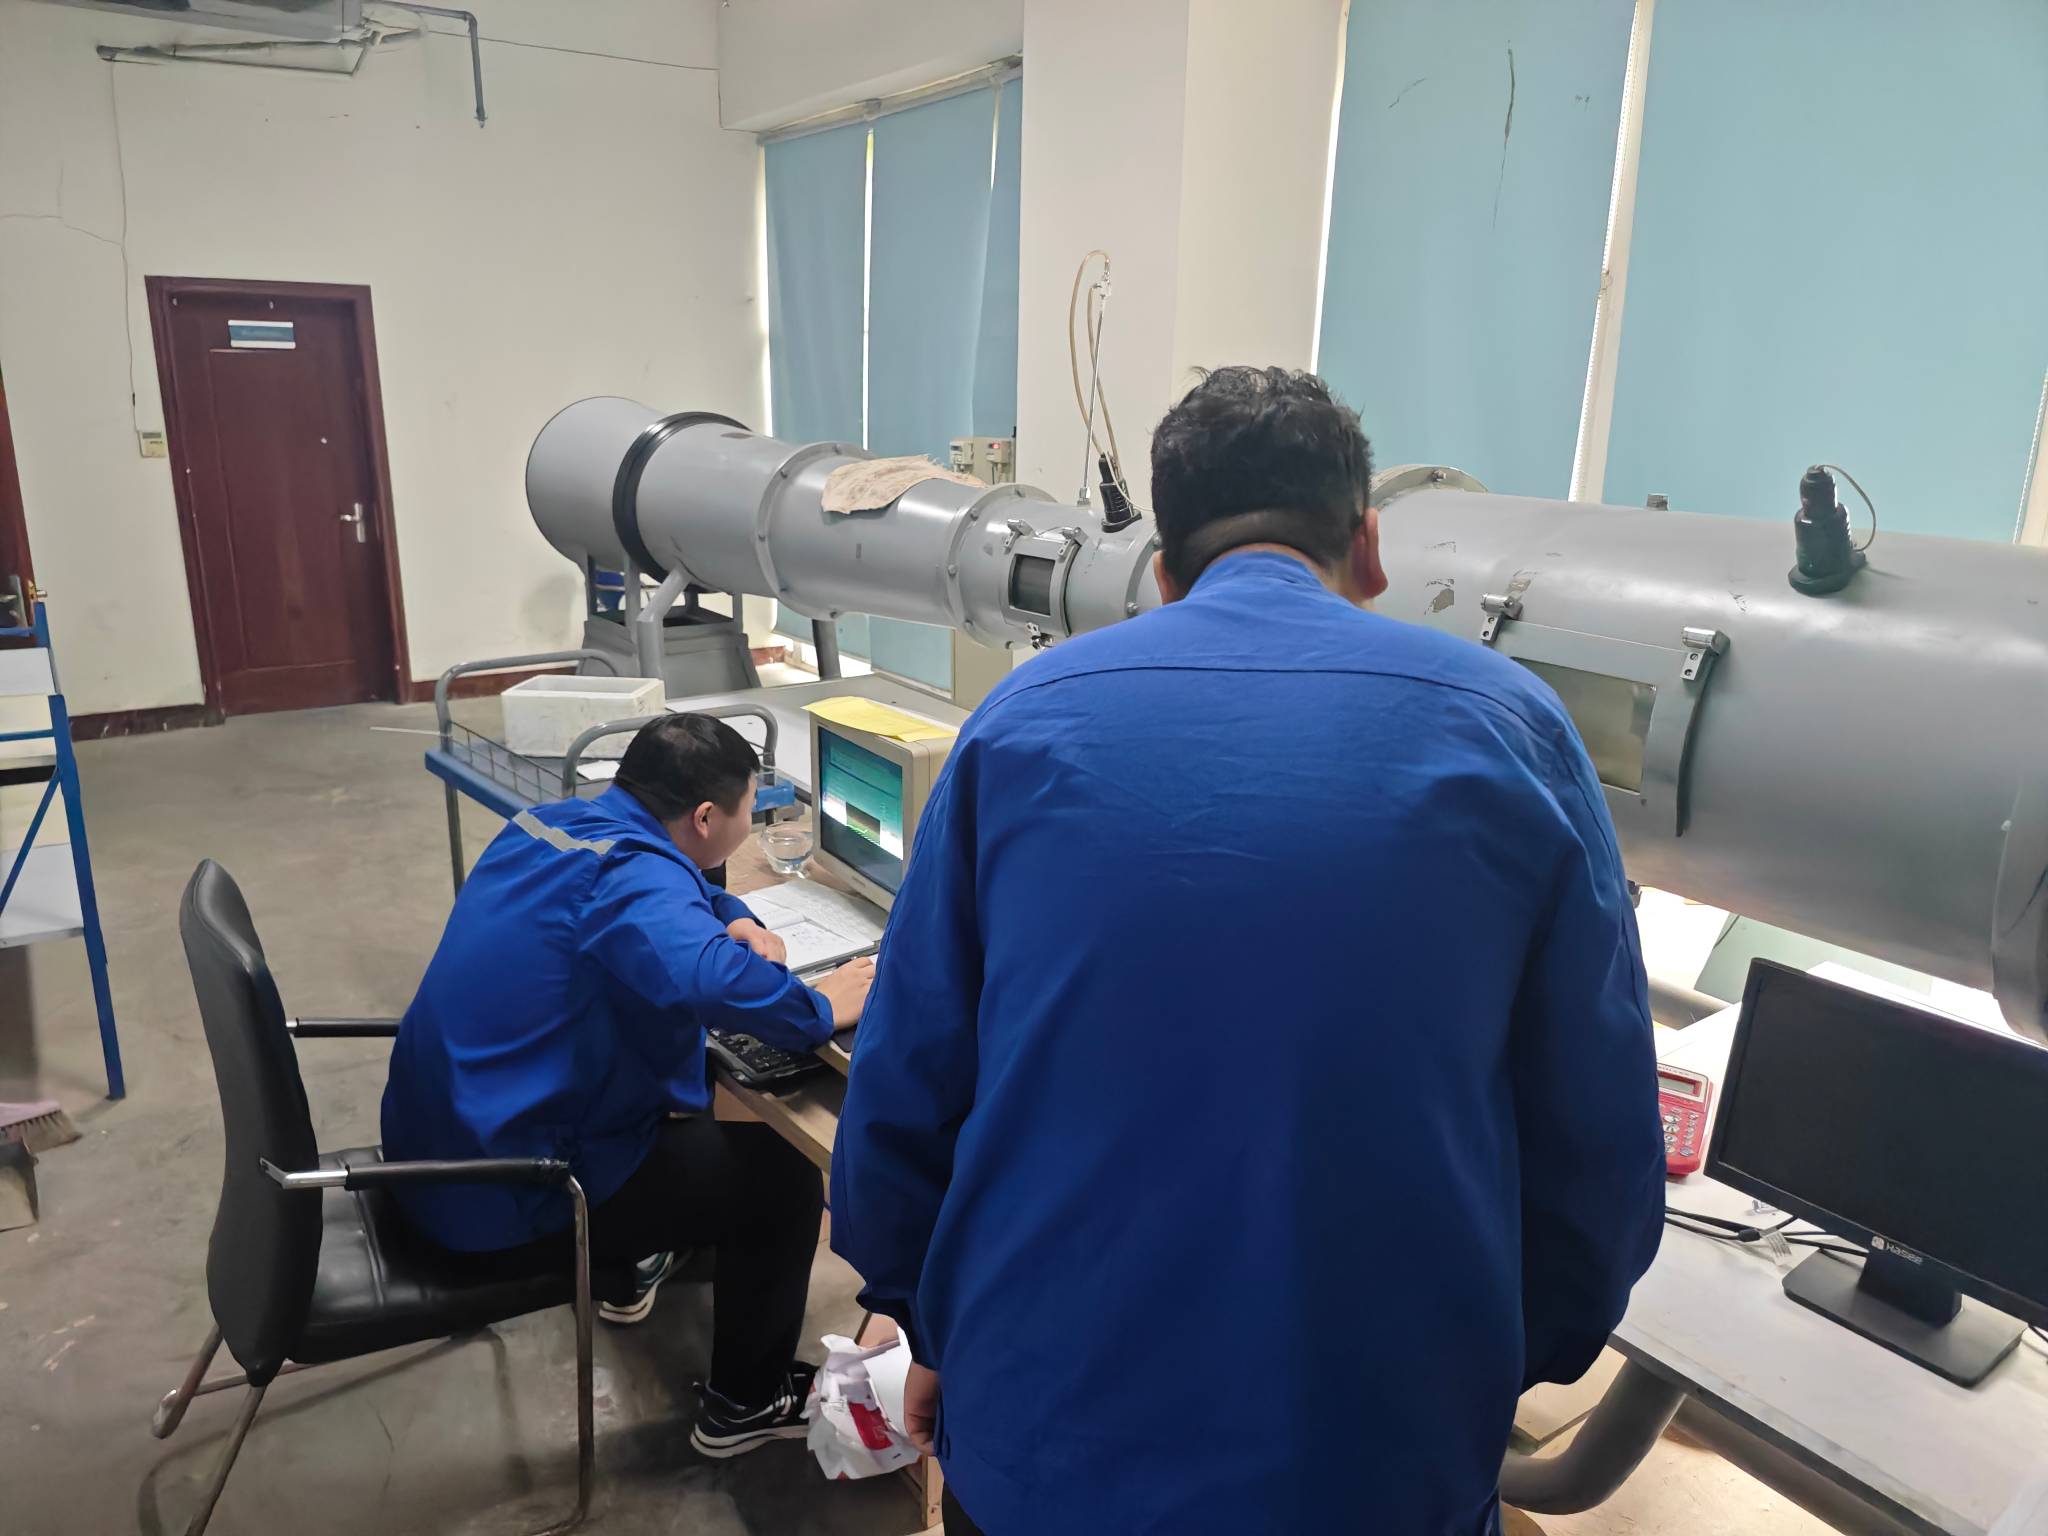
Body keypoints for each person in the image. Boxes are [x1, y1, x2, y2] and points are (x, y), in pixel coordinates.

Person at [829, 367, 1666, 1533]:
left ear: (1163, 570)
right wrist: (1477, 1369)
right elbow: (1601, 1143)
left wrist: (930, 1323)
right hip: (1372, 1462)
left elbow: (905, 1085)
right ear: (1367, 546)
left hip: (1045, 1442)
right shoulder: (1512, 728)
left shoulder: (1020, 724)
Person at [381, 713, 875, 1457]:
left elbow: (665, 893)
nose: (753, 821)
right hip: (502, 1193)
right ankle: (747, 1400)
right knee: (781, 1178)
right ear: (706, 817)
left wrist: (732, 912)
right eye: (752, 808)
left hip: (438, 1145)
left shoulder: (552, 825)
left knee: (691, 1098)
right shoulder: (632, 879)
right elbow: (710, 981)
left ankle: (634, 1264)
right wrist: (821, 1008)